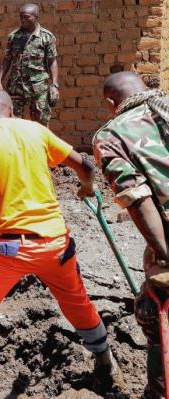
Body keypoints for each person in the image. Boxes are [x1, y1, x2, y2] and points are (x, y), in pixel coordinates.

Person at [0, 90, 124, 399]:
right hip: (57, 245)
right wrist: (87, 189)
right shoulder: (34, 129)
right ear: (10, 110)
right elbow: (86, 167)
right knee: (77, 302)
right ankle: (105, 360)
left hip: (12, 250)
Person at [92, 71, 169, 398]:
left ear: (111, 103)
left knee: (153, 311)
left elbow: (137, 198)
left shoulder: (111, 135)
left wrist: (164, 254)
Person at [0, 3, 59, 126]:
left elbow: (52, 61)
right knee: (13, 121)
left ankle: (39, 145)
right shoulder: (14, 36)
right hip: (16, 86)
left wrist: (55, 85)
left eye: (26, 17)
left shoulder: (46, 37)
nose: (22, 20)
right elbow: (6, 60)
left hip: (38, 87)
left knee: (41, 122)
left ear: (36, 17)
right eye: (21, 17)